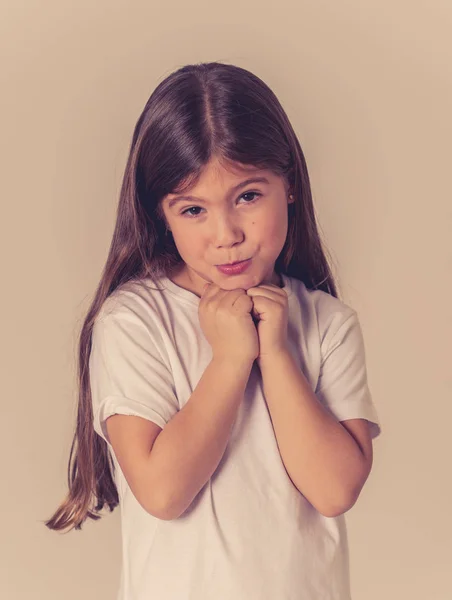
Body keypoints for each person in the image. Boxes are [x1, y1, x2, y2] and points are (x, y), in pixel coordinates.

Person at [45, 61, 382, 600]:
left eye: (248, 196)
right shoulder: (133, 323)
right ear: (162, 216)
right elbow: (162, 491)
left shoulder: (327, 324)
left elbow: (336, 487)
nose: (225, 234)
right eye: (194, 209)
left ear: (288, 185)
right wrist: (229, 361)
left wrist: (274, 354)